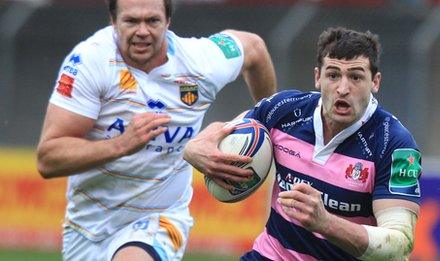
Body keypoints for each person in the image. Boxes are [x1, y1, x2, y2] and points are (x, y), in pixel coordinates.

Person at [36, 0, 277, 260]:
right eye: (131, 21)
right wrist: (121, 144)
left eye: (152, 21)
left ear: (168, 21)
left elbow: (254, 49)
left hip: (160, 217)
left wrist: (270, 128)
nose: (142, 31)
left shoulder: (198, 62)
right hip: (87, 226)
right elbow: (48, 159)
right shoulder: (89, 62)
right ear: (113, 20)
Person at [183, 27, 422, 260]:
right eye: (333, 75)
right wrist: (195, 147)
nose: (343, 88)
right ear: (318, 77)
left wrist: (325, 222)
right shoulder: (284, 110)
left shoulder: (396, 145)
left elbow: (399, 244)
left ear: (375, 82)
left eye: (356, 77)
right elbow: (228, 129)